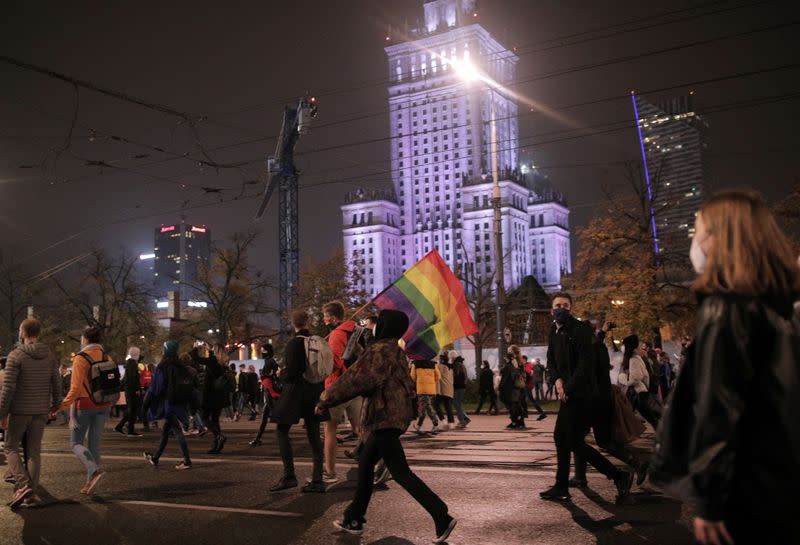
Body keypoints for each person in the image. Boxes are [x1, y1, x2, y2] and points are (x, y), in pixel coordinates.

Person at [652, 190, 800, 544]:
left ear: (720, 237)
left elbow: (719, 406)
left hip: (746, 486)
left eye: (699, 230)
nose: (696, 241)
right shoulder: (779, 307)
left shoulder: (726, 308)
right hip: (783, 478)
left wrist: (710, 499)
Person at [319, 309, 457, 543]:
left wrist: (326, 399)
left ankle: (441, 515)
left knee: (401, 472)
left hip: (384, 417)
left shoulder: (380, 350)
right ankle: (354, 517)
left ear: (384, 326)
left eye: (378, 323)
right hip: (390, 417)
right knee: (365, 465)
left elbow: (356, 380)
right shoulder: (393, 350)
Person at [540, 293, 633, 503]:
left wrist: (568, 388)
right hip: (566, 393)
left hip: (582, 395)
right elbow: (551, 360)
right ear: (551, 309)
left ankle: (618, 475)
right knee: (563, 439)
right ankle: (562, 485)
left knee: (570, 440)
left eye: (565, 305)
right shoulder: (553, 331)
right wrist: (556, 381)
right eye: (557, 305)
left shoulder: (581, 330)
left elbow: (585, 365)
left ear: (571, 308)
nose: (561, 308)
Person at [572, 321, 648, 490]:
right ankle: (580, 477)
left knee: (599, 441)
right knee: (590, 439)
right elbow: (597, 344)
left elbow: (587, 373)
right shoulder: (597, 347)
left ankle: (627, 470)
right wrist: (602, 332)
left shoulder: (591, 349)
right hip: (601, 399)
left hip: (596, 401)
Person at [0, 318, 62, 508]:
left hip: (19, 410)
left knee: (10, 446)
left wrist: (2, 412)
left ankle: (24, 485)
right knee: (34, 452)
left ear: (22, 333)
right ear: (38, 332)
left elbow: (8, 388)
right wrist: (56, 404)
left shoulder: (16, 355)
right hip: (41, 410)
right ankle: (30, 494)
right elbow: (57, 382)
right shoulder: (49, 355)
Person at [269, 310, 328, 493]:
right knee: (314, 435)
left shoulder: (295, 343)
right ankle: (317, 479)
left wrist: (282, 374)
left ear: (293, 323)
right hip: (314, 391)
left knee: (282, 430)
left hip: (296, 392)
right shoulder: (317, 342)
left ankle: (289, 476)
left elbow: (293, 371)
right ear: (308, 322)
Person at [59, 325, 114, 495]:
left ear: (85, 339)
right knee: (94, 442)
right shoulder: (107, 356)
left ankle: (94, 471)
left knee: (75, 443)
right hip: (104, 405)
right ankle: (91, 480)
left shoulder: (80, 358)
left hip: (86, 405)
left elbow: (75, 389)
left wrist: (61, 407)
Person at [320, 300, 362, 484]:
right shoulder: (357, 331)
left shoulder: (337, 334)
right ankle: (375, 464)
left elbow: (334, 364)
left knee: (330, 429)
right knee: (360, 429)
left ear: (334, 318)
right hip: (357, 386)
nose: (324, 320)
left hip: (338, 386)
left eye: (325, 317)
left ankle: (330, 472)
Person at [143, 344, 193, 469]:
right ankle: (155, 458)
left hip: (168, 403)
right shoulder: (181, 366)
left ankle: (187, 460)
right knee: (166, 431)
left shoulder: (163, 366)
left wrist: (147, 402)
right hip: (180, 402)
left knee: (177, 431)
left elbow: (157, 388)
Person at [190, 343, 230, 454]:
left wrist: (195, 348)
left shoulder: (212, 360)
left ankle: (219, 436)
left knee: (204, 417)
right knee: (215, 420)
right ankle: (216, 445)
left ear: (215, 351)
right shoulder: (223, 363)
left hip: (210, 395)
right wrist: (211, 351)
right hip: (220, 395)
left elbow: (196, 359)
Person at [618, 335, 661, 429]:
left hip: (637, 392)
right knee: (651, 417)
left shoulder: (634, 359)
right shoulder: (635, 358)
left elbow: (636, 378)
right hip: (639, 392)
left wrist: (622, 378)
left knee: (651, 417)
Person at [249, 344, 280, 447]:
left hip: (269, 391)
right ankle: (258, 438)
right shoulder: (269, 360)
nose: (261, 352)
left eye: (263, 351)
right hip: (268, 390)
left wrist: (266, 376)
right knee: (265, 416)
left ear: (267, 351)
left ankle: (283, 436)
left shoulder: (270, 361)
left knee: (273, 415)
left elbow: (277, 372)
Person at [114, 347, 143, 437]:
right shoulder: (133, 364)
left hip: (129, 389)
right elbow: (133, 378)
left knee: (131, 409)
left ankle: (121, 426)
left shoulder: (130, 363)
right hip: (132, 390)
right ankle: (130, 430)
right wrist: (137, 389)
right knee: (132, 409)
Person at [411, 359, 441, 433]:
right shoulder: (434, 364)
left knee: (426, 408)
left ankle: (435, 425)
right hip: (431, 390)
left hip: (422, 389)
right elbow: (438, 377)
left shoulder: (415, 364)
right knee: (426, 407)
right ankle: (419, 426)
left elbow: (413, 377)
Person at [499, 348, 526, 429]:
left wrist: (500, 387)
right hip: (517, 388)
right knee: (516, 404)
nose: (505, 359)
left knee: (513, 405)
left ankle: (515, 422)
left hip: (511, 389)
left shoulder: (509, 366)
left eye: (506, 358)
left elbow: (506, 379)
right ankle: (519, 422)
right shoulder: (516, 364)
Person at [433, 351, 455, 430]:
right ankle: (451, 423)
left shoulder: (440, 366)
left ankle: (443, 421)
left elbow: (436, 374)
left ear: (441, 359)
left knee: (435, 404)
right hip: (449, 389)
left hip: (443, 389)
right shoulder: (451, 367)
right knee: (448, 406)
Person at [522, 355, 547, 422]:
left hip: (527, 385)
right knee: (522, 399)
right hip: (524, 385)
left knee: (530, 400)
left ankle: (542, 413)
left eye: (522, 359)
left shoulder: (528, 365)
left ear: (524, 359)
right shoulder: (524, 365)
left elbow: (529, 373)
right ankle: (525, 413)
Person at [450, 353, 471, 428]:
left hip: (456, 387)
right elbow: (466, 377)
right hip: (462, 387)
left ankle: (462, 420)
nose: (451, 360)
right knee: (458, 403)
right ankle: (465, 418)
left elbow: (452, 377)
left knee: (456, 404)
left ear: (454, 358)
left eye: (451, 358)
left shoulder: (454, 366)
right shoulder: (462, 365)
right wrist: (464, 385)